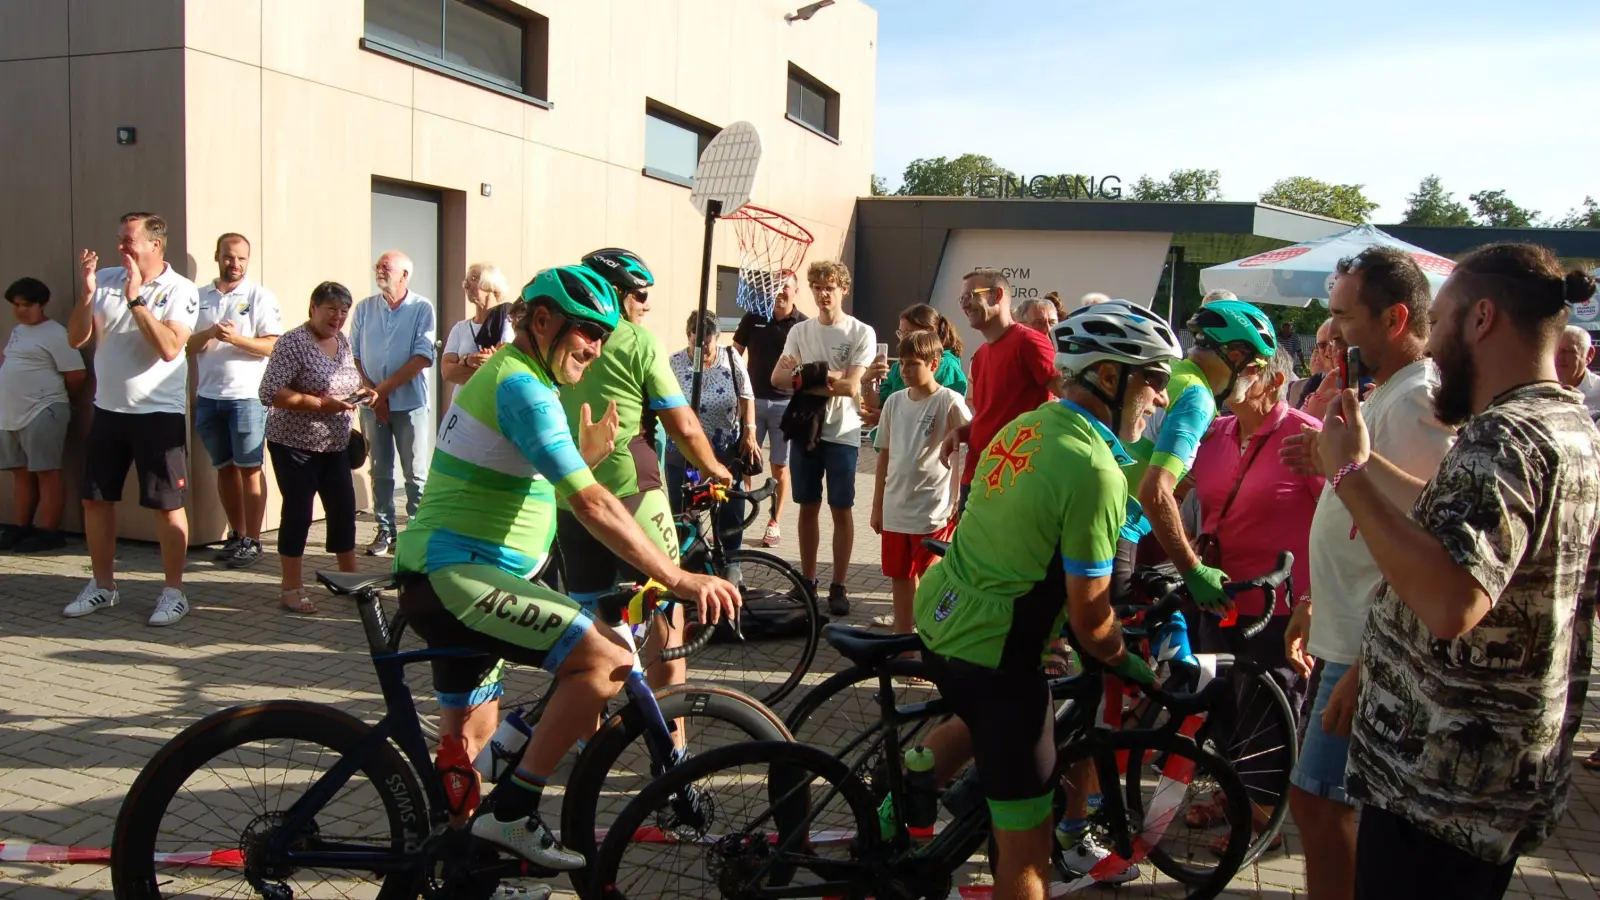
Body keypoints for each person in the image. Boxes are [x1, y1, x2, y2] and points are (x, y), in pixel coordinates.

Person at [393, 265, 740, 877]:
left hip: (451, 579)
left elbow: (541, 488)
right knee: (609, 659)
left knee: (471, 749)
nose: (597, 348)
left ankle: (462, 871)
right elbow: (590, 502)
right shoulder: (520, 385)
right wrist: (676, 576)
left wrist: (591, 456)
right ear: (544, 321)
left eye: (606, 335)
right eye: (587, 332)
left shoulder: (521, 379)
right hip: (458, 578)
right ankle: (516, 813)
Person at [1308, 245, 1600, 900]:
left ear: (1482, 319)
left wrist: (1350, 474)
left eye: (1438, 322)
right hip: (1483, 785)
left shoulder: (1506, 437)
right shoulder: (1569, 425)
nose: (1431, 343)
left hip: (1442, 791)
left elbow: (1451, 601)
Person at [909, 302, 1183, 899]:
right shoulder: (1096, 470)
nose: (1160, 397)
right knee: (1028, 854)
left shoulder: (1026, 425)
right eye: (1154, 380)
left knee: (971, 719)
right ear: (1110, 378)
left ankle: (903, 803)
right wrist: (1127, 662)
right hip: (997, 658)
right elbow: (1092, 621)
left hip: (940, 622)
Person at [1277, 246, 1455, 900]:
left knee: (1321, 804)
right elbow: (1366, 511)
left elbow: (1433, 536)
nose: (1334, 334)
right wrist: (1320, 600)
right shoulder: (1390, 395)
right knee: (1320, 805)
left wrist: (1366, 664)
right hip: (1352, 635)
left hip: (1371, 650)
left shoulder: (1419, 400)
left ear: (1395, 317)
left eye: (1344, 318)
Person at [557, 247, 730, 700]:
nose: (645, 304)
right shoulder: (637, 340)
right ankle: (672, 744)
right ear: (611, 292)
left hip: (570, 499)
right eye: (638, 294)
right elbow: (684, 425)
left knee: (590, 626)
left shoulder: (561, 340)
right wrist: (717, 470)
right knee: (666, 617)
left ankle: (584, 735)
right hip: (631, 490)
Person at [1185, 346, 1321, 851]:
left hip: (1279, 605)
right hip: (1218, 596)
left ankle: (1263, 818)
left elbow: (1340, 519)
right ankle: (1232, 795)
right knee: (1221, 703)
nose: (1231, 376)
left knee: (1272, 705)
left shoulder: (1306, 435)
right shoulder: (1215, 432)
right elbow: (1176, 489)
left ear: (1275, 378)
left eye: (1245, 368)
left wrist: (1312, 598)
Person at [63, 212, 200, 626]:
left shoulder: (181, 289)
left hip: (158, 414)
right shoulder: (103, 278)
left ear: (154, 245)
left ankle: (173, 593)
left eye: (129, 240)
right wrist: (87, 297)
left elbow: (170, 348)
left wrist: (137, 298)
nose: (121, 246)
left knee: (166, 504)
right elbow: (75, 339)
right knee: (95, 499)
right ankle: (103, 586)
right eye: (119, 238)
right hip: (108, 411)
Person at [1135, 299, 1276, 619]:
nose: (1255, 379)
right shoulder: (1198, 397)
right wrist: (1194, 570)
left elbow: (1142, 461)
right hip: (1122, 531)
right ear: (1237, 358)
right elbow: (1153, 491)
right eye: (1257, 369)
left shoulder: (1175, 374)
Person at [258, 282, 374, 613]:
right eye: (331, 310)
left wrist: (364, 393)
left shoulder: (342, 340)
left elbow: (347, 383)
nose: (337, 317)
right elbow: (268, 391)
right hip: (294, 445)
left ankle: (349, 579)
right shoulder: (292, 343)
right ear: (313, 307)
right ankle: (290, 588)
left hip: (334, 444)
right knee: (298, 514)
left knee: (343, 511)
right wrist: (318, 404)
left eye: (343, 311)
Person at [772, 259, 876, 616]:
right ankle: (808, 580)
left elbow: (851, 386)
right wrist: (823, 375)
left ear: (843, 289)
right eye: (817, 287)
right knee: (807, 506)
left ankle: (840, 585)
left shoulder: (861, 332)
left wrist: (809, 379)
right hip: (806, 430)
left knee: (842, 508)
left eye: (830, 287)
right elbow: (777, 379)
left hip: (844, 433)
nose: (823, 294)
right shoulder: (800, 332)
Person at [188, 233, 281, 569]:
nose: (235, 264)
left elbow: (273, 345)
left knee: (250, 469)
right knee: (224, 468)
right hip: (209, 397)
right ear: (217, 256)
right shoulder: (199, 297)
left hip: (246, 398)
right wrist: (211, 333)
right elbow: (185, 344)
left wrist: (235, 338)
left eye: (241, 258)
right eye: (229, 257)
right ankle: (236, 534)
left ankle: (253, 540)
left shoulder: (259, 296)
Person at [869, 331, 970, 635]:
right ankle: (903, 641)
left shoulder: (949, 400)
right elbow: (884, 456)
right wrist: (877, 506)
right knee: (900, 578)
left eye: (913, 364)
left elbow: (973, 440)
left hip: (932, 511)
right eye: (902, 364)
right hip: (895, 509)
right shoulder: (895, 403)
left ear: (935, 363)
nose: (905, 370)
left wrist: (959, 500)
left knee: (931, 582)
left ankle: (930, 642)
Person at [938, 269, 1055, 517]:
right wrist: (961, 432)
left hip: (1012, 480)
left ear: (997, 295)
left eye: (971, 295)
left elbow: (1068, 397)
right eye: (962, 299)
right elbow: (990, 416)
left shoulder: (1030, 342)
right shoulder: (980, 356)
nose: (965, 304)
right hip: (976, 476)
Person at [352, 250, 436, 557]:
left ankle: (415, 531)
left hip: (409, 404)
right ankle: (385, 529)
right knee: (380, 469)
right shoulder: (364, 309)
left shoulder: (421, 308)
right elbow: (356, 356)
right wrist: (374, 396)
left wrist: (383, 393)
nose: (379, 271)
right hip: (372, 405)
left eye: (386, 267)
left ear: (404, 275)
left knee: (414, 472)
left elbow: (422, 357)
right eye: (378, 266)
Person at [666, 311, 758, 579]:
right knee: (684, 510)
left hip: (724, 448)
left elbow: (747, 396)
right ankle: (693, 567)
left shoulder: (731, 359)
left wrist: (750, 433)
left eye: (709, 341)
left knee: (729, 507)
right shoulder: (675, 363)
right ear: (688, 337)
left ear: (717, 337)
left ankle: (732, 566)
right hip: (683, 451)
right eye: (698, 341)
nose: (704, 348)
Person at [0, 277, 85, 552]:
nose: (21, 310)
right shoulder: (18, 331)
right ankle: (22, 527)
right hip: (12, 412)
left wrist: (57, 401)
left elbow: (75, 373)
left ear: (42, 304)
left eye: (27, 305)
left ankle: (50, 531)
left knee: (47, 471)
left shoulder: (55, 333)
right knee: (21, 472)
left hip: (43, 409)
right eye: (16, 305)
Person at [733, 269, 806, 547]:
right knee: (745, 463)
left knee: (779, 465)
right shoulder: (753, 318)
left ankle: (774, 522)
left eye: (786, 287)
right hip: (751, 403)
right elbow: (734, 354)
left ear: (795, 292)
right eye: (776, 286)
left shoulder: (801, 325)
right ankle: (740, 518)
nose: (780, 291)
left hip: (785, 406)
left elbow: (810, 367)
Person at [862, 302, 967, 432]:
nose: (902, 339)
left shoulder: (946, 368)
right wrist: (866, 382)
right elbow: (879, 405)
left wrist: (887, 419)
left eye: (908, 333)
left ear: (929, 331)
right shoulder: (898, 367)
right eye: (900, 333)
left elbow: (935, 419)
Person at [441, 262, 512, 403]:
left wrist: (461, 364)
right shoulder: (460, 328)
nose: (466, 285)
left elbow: (506, 364)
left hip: (493, 406)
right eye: (466, 281)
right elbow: (447, 372)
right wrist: (468, 360)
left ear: (491, 285)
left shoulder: (508, 321)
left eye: (473, 279)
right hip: (462, 405)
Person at [1288, 318, 1337, 409]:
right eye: (1322, 345)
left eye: (1335, 341)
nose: (1330, 349)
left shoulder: (1366, 383)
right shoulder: (1313, 383)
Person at [1554, 324, 1600, 419]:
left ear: (1589, 355)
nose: (1558, 357)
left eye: (1566, 351)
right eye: (1554, 350)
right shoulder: (1534, 390)